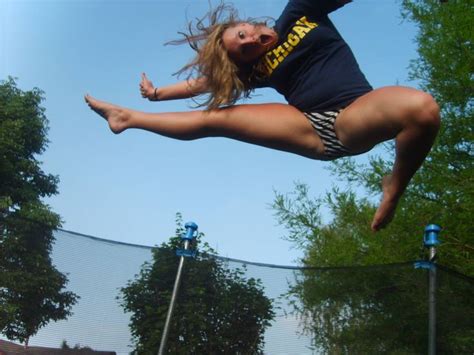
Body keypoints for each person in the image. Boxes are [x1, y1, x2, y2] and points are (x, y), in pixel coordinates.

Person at [85, 0, 440, 231]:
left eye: (244, 35)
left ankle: (394, 186)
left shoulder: (300, 10)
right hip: (313, 128)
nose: (250, 42)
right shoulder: (255, 68)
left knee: (422, 110)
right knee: (218, 119)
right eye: (244, 50)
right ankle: (126, 118)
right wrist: (157, 94)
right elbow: (202, 84)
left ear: (246, 24)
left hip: (355, 113)